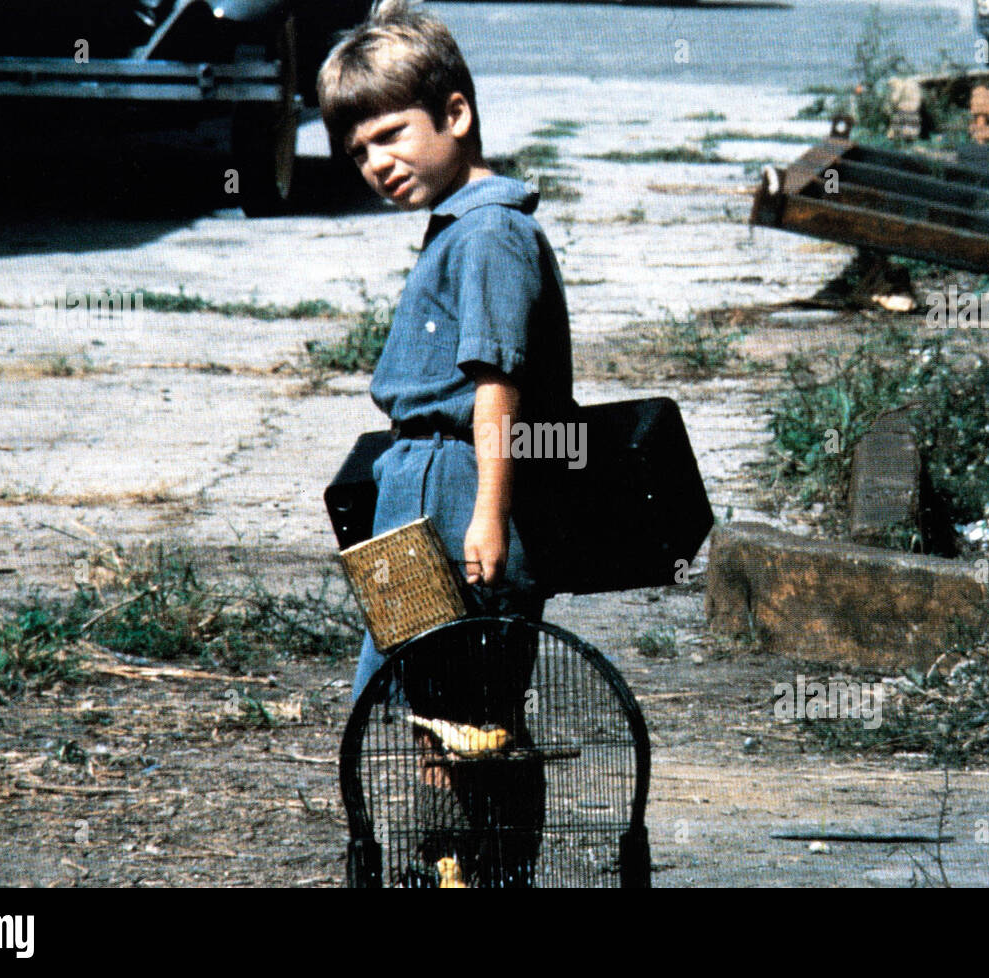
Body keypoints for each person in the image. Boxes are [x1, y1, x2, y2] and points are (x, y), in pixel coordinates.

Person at [317, 0, 574, 886]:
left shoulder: (493, 234)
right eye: (357, 152)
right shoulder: (457, 231)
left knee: (476, 719)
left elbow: (497, 387)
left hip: (460, 495)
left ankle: (490, 872)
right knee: (427, 715)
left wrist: (491, 519)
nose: (377, 163)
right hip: (410, 498)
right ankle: (445, 870)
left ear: (455, 116)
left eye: (390, 135)